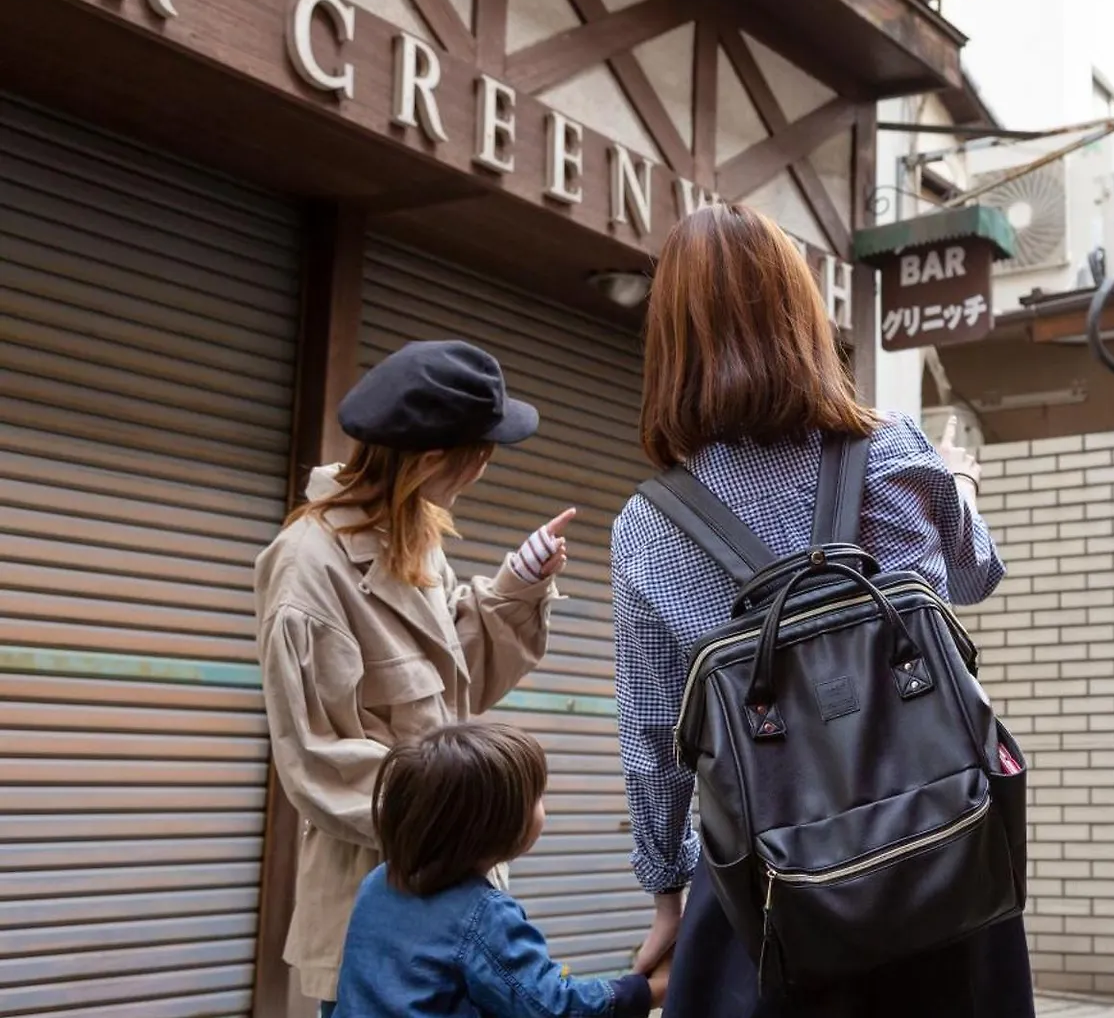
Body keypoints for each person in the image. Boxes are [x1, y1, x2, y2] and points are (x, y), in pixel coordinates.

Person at [610, 204, 1033, 1018]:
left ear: (670, 345)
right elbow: (976, 575)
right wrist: (960, 484)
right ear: (800, 315)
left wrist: (668, 888)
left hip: (766, 889)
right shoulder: (893, 450)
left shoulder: (649, 525)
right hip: (941, 858)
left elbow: (654, 739)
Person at [255, 340, 576, 1013]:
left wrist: (516, 586)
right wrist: (480, 805)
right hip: (377, 909)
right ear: (431, 460)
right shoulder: (306, 568)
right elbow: (315, 762)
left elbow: (451, 691)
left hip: (460, 895)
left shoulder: (413, 537)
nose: (479, 473)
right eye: (477, 458)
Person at [332, 722, 666, 1017]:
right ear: (497, 826)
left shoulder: (379, 882)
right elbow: (552, 1006)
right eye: (537, 796)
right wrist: (647, 991)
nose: (543, 805)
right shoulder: (483, 916)